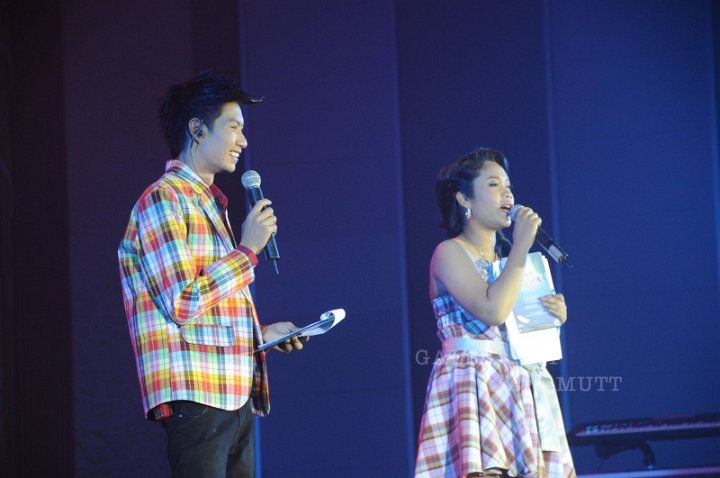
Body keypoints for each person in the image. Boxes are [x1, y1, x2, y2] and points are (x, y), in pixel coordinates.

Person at [118, 72, 305, 478]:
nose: (243, 141)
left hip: (233, 392)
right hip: (196, 394)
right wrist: (247, 251)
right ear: (198, 129)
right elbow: (183, 303)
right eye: (233, 127)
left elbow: (209, 312)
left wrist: (263, 334)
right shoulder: (163, 200)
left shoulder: (208, 204)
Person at [414, 148, 575, 477]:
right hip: (472, 381)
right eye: (493, 184)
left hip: (517, 380)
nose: (508, 194)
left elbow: (526, 334)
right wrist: (522, 246)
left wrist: (553, 318)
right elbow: (492, 310)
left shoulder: (509, 261)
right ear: (464, 198)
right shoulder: (449, 252)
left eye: (508, 186)